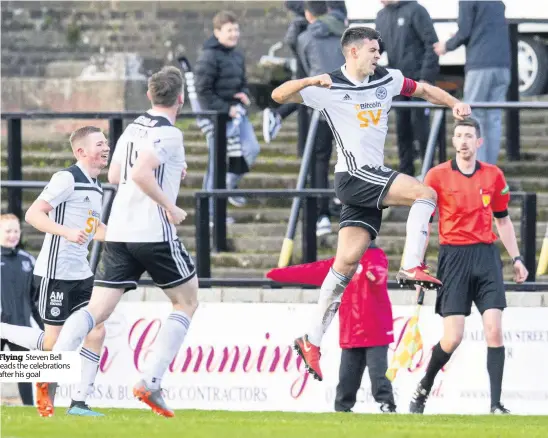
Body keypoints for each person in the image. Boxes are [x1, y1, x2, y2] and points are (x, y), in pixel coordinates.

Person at [271, 26, 471, 381]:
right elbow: (278, 95)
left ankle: (311, 340)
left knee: (346, 263)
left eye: (379, 51)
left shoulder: (387, 79)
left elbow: (422, 89)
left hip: (368, 179)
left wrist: (454, 102)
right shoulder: (328, 86)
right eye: (373, 51)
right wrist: (309, 81)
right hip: (355, 176)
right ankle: (411, 265)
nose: (379, 56)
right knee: (425, 194)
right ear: (353, 53)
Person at [50, 66, 197, 419]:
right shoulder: (170, 133)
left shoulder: (132, 127)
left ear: (149, 95)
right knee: (186, 303)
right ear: (181, 98)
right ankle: (150, 380)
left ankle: (49, 373)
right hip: (153, 232)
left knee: (94, 313)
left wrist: (170, 170)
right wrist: (170, 206)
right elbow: (139, 173)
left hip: (118, 232)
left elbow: (115, 175)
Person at [409, 118, 528, 415]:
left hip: (486, 257)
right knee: (453, 337)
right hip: (454, 258)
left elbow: (502, 219)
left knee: (494, 329)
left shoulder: (493, 176)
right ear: (453, 141)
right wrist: (417, 267)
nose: (463, 141)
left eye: (469, 136)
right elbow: (424, 224)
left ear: (479, 142)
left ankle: (495, 404)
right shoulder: (436, 176)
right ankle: (424, 386)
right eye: (459, 135)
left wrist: (516, 259)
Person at [1, 126, 110, 417]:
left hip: (81, 273)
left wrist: (120, 237)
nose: (107, 147)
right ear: (81, 151)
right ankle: (43, 396)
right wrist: (66, 232)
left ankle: (79, 403)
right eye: (100, 143)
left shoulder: (96, 185)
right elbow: (33, 214)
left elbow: (93, 228)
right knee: (53, 343)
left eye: (106, 143)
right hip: (55, 272)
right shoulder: (67, 178)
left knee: (97, 330)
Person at [266, 241, 396, 413]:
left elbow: (379, 272)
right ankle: (342, 411)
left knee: (378, 376)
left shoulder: (376, 255)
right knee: (346, 380)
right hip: (352, 333)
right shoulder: (340, 264)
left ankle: (387, 406)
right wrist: (277, 274)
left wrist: (374, 275)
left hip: (375, 330)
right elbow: (311, 271)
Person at [195, 10, 260, 210]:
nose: (234, 34)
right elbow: (203, 92)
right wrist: (225, 109)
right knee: (216, 166)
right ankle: (211, 214)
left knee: (252, 149)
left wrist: (243, 94)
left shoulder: (238, 54)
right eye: (229, 30)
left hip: (238, 115)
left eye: (236, 29)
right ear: (217, 32)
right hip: (217, 118)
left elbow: (242, 83)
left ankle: (228, 186)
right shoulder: (208, 56)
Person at [434, 1, 510, 164]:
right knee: (494, 118)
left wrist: (446, 46)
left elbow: (464, 32)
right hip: (503, 65)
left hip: (480, 65)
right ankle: (491, 169)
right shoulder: (498, 2)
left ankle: (479, 170)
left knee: (474, 115)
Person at [263, 1, 348, 144]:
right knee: (309, 88)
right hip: (311, 33)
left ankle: (278, 115)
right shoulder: (305, 27)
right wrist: (311, 9)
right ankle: (278, 115)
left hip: (319, 32)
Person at [296, 1, 346, 236]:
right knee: (349, 157)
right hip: (348, 104)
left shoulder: (305, 38)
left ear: (308, 14)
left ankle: (322, 214)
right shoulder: (345, 34)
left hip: (321, 106)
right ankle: (348, 206)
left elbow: (308, 71)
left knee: (319, 158)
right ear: (327, 11)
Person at [376, 0, 439, 176]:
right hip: (397, 82)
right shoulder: (382, 16)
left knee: (421, 128)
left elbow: (431, 44)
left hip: (418, 81)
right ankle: (406, 173)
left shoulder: (416, 10)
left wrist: (426, 77)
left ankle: (430, 172)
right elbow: (378, 48)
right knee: (402, 129)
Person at [0, 213, 42, 407]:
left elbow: (35, 299)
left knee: (23, 372)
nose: (12, 235)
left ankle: (28, 408)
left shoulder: (28, 260)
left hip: (20, 327)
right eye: (8, 231)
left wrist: (44, 327)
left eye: (16, 230)